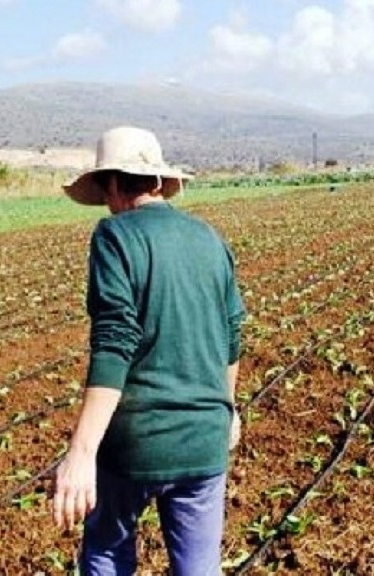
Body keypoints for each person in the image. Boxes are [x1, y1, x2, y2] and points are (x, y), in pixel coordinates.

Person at [52, 126, 246, 575]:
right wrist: (228, 409)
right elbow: (232, 336)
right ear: (158, 182)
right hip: (204, 435)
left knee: (106, 552)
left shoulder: (114, 237)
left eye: (105, 189)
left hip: (135, 442)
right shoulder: (209, 239)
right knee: (198, 567)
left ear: (113, 184)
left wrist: (81, 453)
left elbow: (115, 340)